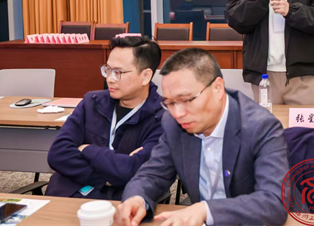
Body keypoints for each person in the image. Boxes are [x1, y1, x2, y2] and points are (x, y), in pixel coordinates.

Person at [115, 48, 289, 226]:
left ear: (217, 88)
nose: (178, 113)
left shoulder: (260, 126)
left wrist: (206, 210)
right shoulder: (173, 123)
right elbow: (153, 174)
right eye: (171, 103)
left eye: (187, 100)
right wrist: (137, 198)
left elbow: (274, 201)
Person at [46, 36, 163, 200]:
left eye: (118, 72)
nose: (109, 79)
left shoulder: (162, 117)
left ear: (145, 76)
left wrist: (86, 150)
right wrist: (105, 178)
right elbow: (57, 154)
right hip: (67, 195)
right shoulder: (91, 102)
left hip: (120, 203)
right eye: (107, 70)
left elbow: (133, 170)